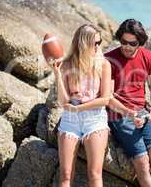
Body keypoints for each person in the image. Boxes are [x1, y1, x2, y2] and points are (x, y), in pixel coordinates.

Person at [105, 19, 151, 187]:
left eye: (132, 43)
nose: (126, 47)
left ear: (140, 42)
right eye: (123, 42)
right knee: (142, 162)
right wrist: (130, 113)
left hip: (143, 112)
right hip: (119, 115)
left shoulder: (148, 56)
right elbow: (108, 98)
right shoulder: (109, 60)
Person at [52, 24, 111, 187]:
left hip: (95, 119)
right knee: (65, 175)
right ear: (83, 43)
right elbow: (64, 102)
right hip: (70, 119)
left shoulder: (104, 64)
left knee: (94, 174)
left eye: (100, 42)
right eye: (95, 43)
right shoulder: (67, 64)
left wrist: (79, 108)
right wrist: (57, 75)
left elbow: (105, 99)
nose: (99, 46)